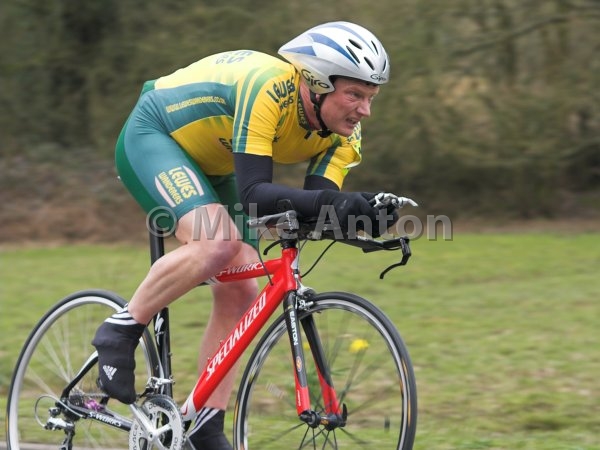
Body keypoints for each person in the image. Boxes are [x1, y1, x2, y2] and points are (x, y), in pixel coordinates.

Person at [92, 21, 399, 450]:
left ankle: (203, 422)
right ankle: (120, 328)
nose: (364, 110)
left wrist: (363, 218)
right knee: (217, 243)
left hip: (217, 165)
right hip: (156, 135)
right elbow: (256, 195)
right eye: (354, 95)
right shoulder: (269, 88)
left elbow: (315, 207)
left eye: (370, 97)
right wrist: (340, 205)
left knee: (242, 288)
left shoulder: (345, 135)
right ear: (317, 83)